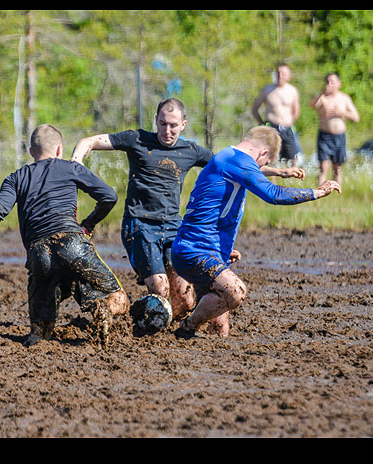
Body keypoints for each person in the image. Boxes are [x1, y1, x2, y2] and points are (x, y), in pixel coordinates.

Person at [71, 98, 301, 325]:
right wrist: (77, 159)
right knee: (161, 287)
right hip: (140, 224)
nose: (167, 130)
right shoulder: (137, 139)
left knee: (185, 300)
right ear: (156, 121)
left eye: (173, 125)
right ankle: (141, 323)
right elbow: (90, 140)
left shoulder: (190, 150)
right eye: (162, 123)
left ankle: (168, 328)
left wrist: (277, 172)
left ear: (183, 125)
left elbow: (233, 164)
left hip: (173, 228)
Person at [171, 126, 341, 338]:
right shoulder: (236, 160)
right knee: (235, 292)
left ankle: (193, 349)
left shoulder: (228, 157)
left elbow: (249, 173)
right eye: (267, 162)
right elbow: (273, 194)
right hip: (195, 251)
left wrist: (277, 171)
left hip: (207, 251)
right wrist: (317, 192)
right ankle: (188, 325)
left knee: (219, 332)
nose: (263, 166)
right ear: (263, 153)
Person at [0, 124, 129, 348]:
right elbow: (109, 196)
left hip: (38, 253)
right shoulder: (71, 168)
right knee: (119, 300)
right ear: (59, 149)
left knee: (39, 333)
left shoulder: (17, 178)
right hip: (73, 245)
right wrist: (89, 223)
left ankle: (39, 333)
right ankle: (101, 309)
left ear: (31, 151)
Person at [310, 72, 360, 187]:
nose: (329, 84)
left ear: (338, 83)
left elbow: (356, 117)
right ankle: (321, 192)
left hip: (339, 136)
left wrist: (342, 113)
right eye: (327, 82)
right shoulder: (322, 98)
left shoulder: (344, 98)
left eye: (332, 82)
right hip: (324, 135)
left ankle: (337, 190)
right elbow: (312, 105)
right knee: (323, 167)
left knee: (337, 167)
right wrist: (321, 93)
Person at [251, 63, 302, 167]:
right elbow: (255, 108)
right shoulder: (267, 90)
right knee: (270, 158)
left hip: (287, 128)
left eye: (283, 74)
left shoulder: (292, 91)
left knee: (293, 158)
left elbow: (296, 111)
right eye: (278, 73)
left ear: (288, 76)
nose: (280, 76)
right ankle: (272, 182)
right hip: (271, 127)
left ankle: (293, 181)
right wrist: (262, 123)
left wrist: (289, 122)